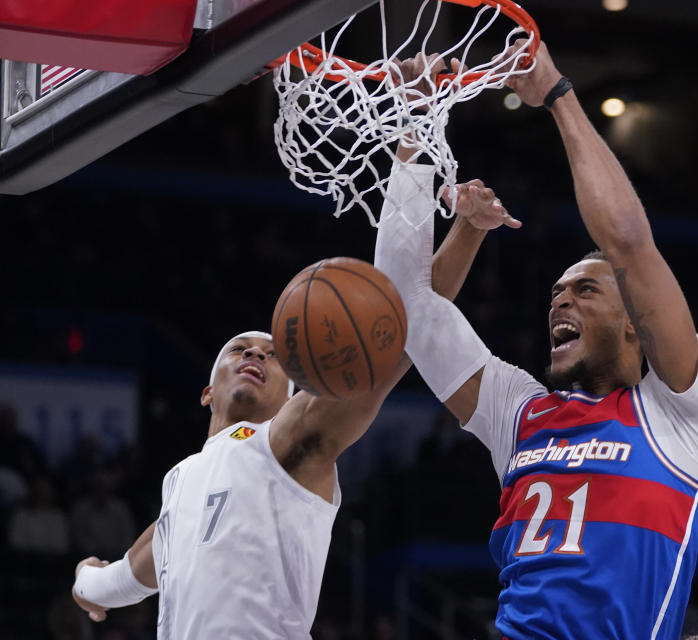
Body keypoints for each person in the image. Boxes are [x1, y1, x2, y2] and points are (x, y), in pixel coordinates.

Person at [374, 42, 698, 639]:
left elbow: (627, 242)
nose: (560, 299)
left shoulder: (684, 412)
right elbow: (403, 304)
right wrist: (414, 122)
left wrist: (558, 98)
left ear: (633, 322)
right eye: (556, 293)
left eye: (586, 291)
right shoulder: (522, 412)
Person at [69, 188, 515, 638]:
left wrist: (466, 227)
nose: (255, 355)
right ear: (207, 392)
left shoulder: (281, 442)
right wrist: (88, 585)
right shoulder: (182, 480)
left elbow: (399, 325)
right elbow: (130, 572)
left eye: (271, 354)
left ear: (292, 398)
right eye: (239, 349)